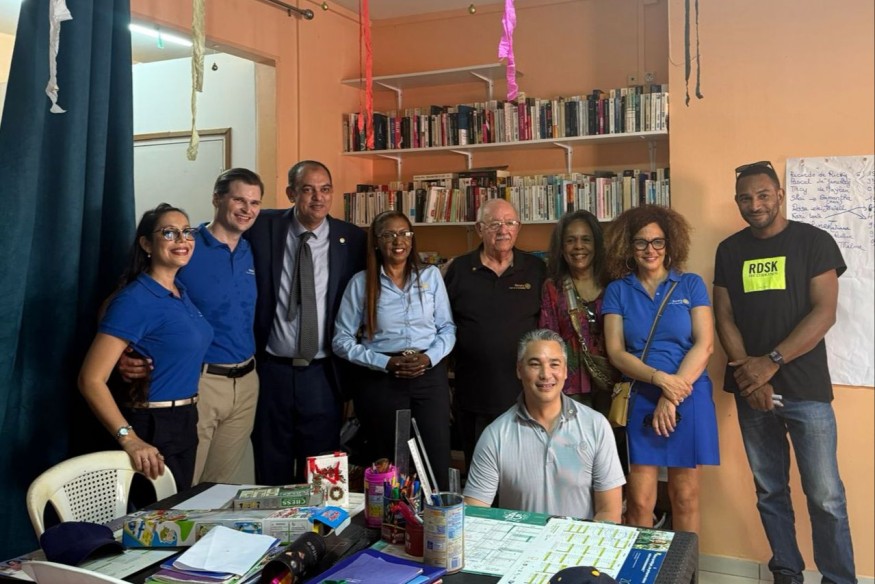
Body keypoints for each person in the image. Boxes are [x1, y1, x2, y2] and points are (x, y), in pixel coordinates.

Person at [713, 161, 855, 583]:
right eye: (744, 197)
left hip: (806, 389)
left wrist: (770, 363)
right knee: (770, 490)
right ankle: (787, 571)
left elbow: (824, 313)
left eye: (762, 195)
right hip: (750, 390)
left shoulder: (814, 242)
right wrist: (750, 375)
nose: (754, 204)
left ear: (780, 194)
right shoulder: (729, 250)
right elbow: (724, 317)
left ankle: (838, 579)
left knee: (825, 496)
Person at [119, 168, 263, 484]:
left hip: (246, 380)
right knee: (185, 487)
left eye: (254, 202)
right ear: (216, 198)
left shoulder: (252, 249)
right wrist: (121, 354)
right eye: (238, 199)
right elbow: (124, 300)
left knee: (223, 488)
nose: (246, 209)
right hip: (200, 381)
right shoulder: (187, 247)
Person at [246, 160, 367, 485]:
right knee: (271, 466)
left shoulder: (352, 240)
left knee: (325, 473)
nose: (318, 198)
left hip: (324, 374)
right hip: (272, 371)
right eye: (308, 190)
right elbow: (215, 233)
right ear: (290, 193)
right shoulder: (262, 227)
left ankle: (326, 534)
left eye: (325, 189)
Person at [602, 204, 718, 534]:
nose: (649, 250)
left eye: (657, 242)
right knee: (640, 501)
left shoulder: (691, 285)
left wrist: (673, 392)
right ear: (629, 246)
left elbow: (705, 345)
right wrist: (658, 380)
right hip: (641, 395)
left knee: (685, 497)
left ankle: (685, 573)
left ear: (670, 244)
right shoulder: (618, 290)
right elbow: (615, 352)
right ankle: (642, 571)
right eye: (640, 242)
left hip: (689, 393)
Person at [79, 204, 213, 491]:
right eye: (169, 233)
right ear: (146, 244)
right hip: (150, 425)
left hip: (185, 420)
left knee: (178, 521)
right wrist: (129, 438)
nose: (182, 240)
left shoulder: (180, 292)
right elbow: (90, 379)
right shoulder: (135, 300)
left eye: (187, 232)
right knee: (151, 529)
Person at [333, 211, 456, 488]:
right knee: (387, 463)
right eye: (389, 234)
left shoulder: (431, 276)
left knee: (435, 458)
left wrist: (429, 358)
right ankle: (389, 527)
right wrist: (384, 363)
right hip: (382, 379)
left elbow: (447, 329)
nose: (398, 240)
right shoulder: (361, 283)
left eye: (404, 233)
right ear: (376, 241)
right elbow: (341, 341)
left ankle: (434, 523)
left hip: (428, 374)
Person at [463, 329, 625, 520]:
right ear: (519, 370)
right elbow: (473, 513)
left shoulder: (596, 426)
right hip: (521, 547)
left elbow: (609, 511)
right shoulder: (496, 435)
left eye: (554, 364)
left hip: (577, 546)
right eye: (534, 364)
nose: (546, 374)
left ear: (565, 371)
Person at [444, 198, 547, 469]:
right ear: (479, 228)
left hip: (524, 395)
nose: (504, 230)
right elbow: (442, 324)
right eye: (494, 224)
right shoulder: (458, 270)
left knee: (523, 473)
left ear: (519, 227)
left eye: (510, 223)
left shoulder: (536, 269)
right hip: (473, 394)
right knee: (481, 472)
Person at [538, 210, 614, 411]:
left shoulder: (614, 284)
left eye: (586, 239)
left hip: (613, 383)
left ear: (597, 244)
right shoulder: (553, 288)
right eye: (570, 240)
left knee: (613, 441)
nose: (578, 246)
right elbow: (549, 340)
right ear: (561, 248)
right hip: (571, 388)